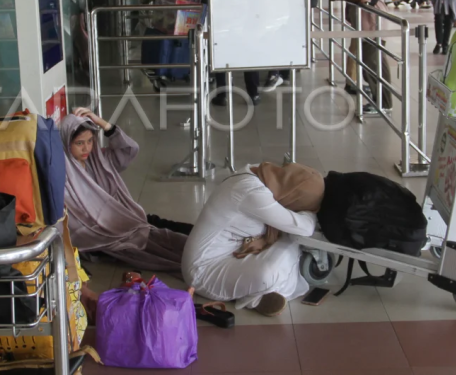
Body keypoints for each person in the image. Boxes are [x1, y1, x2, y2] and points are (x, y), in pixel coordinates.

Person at [182, 162, 323, 316]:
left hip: (236, 251)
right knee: (271, 270)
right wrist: (311, 212)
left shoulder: (262, 175)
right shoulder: (250, 192)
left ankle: (257, 290)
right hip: (204, 273)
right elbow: (304, 227)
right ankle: (254, 298)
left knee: (289, 241)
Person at [60, 108, 191, 271]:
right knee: (157, 247)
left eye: (90, 141)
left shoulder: (100, 161)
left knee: (168, 231)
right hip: (102, 234)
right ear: (66, 142)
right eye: (79, 143)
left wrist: (103, 123)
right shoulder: (65, 178)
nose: (86, 148)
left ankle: (208, 240)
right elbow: (75, 224)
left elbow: (130, 149)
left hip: (125, 218)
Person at [327, 0, 393, 114]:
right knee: (366, 64)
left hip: (372, 23)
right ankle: (377, 97)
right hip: (363, 23)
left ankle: (384, 104)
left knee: (375, 64)